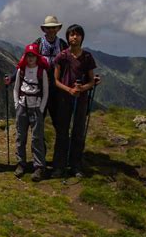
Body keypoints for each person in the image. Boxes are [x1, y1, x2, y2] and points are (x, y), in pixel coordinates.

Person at [52, 24, 96, 178]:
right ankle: (59, 165)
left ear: (82, 37)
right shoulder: (62, 56)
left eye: (77, 35)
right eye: (71, 35)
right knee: (62, 132)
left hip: (81, 99)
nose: (74, 37)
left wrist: (82, 88)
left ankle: (75, 165)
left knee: (78, 132)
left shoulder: (87, 57)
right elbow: (55, 81)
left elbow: (92, 81)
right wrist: (69, 89)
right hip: (65, 98)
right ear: (68, 37)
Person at [13, 43, 49, 181]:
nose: (30, 58)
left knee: (37, 137)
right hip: (23, 105)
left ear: (37, 56)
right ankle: (21, 164)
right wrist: (17, 104)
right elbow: (16, 88)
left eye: (33, 55)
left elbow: (46, 92)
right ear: (25, 56)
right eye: (28, 55)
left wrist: (41, 108)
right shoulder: (21, 70)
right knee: (21, 136)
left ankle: (39, 167)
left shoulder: (42, 72)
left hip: (36, 107)